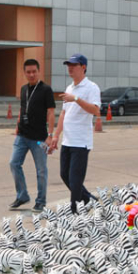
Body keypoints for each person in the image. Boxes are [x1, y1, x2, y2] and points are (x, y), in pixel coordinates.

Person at [50, 54, 101, 214]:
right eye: (68, 65)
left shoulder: (91, 87)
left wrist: (76, 99)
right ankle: (87, 198)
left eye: (74, 65)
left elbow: (96, 110)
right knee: (64, 175)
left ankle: (75, 212)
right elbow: (64, 114)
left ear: (83, 67)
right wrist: (56, 135)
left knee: (75, 179)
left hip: (81, 142)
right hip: (68, 140)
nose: (70, 68)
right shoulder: (69, 88)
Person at [9, 59, 56, 213]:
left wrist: (50, 135)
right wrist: (17, 126)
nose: (31, 74)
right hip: (22, 135)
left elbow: (50, 113)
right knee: (14, 163)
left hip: (39, 138)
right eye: (28, 72)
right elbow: (22, 109)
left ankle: (41, 201)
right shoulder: (23, 89)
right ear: (24, 73)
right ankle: (22, 195)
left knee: (41, 170)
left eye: (34, 71)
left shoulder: (46, 90)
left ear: (38, 71)